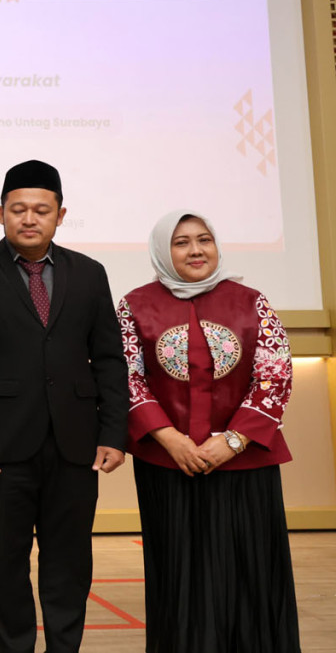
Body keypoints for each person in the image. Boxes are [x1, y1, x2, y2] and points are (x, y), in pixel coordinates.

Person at [0, 160, 128, 653]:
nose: (29, 219)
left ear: (60, 215)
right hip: (4, 445)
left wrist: (114, 433)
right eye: (18, 210)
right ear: (0, 213)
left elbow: (110, 360)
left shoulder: (90, 274)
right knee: (8, 562)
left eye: (41, 210)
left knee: (69, 560)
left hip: (77, 442)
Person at [116, 210, 300, 652]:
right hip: (168, 462)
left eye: (204, 240)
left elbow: (275, 375)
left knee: (252, 570)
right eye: (181, 242)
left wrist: (232, 441)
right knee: (180, 572)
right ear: (163, 250)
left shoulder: (251, 301)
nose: (196, 250)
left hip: (245, 462)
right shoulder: (134, 305)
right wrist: (170, 438)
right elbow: (125, 377)